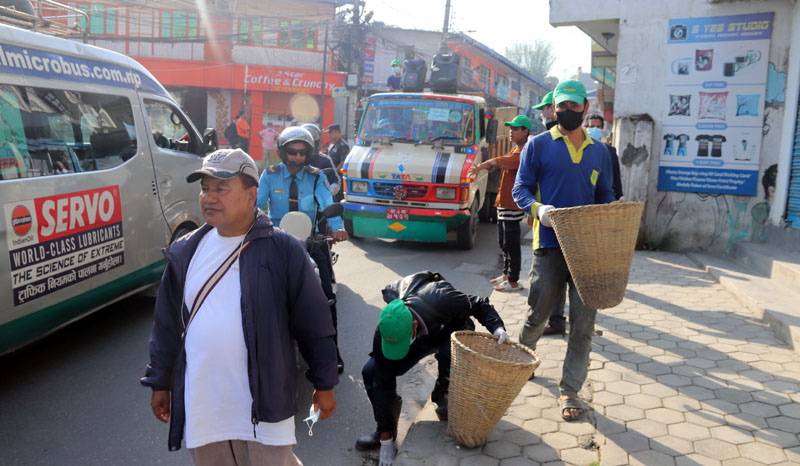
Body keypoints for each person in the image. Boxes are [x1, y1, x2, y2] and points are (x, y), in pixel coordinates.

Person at [140, 148, 338, 464]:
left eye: (221, 188)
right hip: (205, 406)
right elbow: (166, 326)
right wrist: (159, 380)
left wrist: (324, 383)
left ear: (251, 195)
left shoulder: (283, 249)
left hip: (266, 406)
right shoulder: (186, 252)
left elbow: (313, 323)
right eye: (205, 188)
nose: (209, 197)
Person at [512, 80, 616, 422]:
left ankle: (570, 389)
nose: (568, 112)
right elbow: (521, 188)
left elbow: (605, 192)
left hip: (588, 248)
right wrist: (537, 209)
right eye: (562, 106)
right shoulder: (538, 145)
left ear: (585, 108)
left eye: (574, 106)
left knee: (584, 323)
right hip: (550, 245)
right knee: (538, 313)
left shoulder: (599, 151)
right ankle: (523, 357)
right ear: (553, 108)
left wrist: (611, 211)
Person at [356, 271, 509, 466]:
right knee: (372, 372)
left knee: (450, 354)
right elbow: (383, 382)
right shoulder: (385, 327)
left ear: (414, 326)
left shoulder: (441, 297)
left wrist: (497, 328)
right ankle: (386, 430)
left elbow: (479, 304)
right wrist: (386, 442)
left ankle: (442, 395)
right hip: (417, 339)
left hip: (448, 330)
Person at [257, 127, 349, 374]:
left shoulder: (317, 176)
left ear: (309, 153)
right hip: (275, 242)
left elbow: (327, 203)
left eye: (301, 153)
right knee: (255, 290)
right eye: (292, 152)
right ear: (282, 152)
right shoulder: (269, 175)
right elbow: (257, 206)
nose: (297, 157)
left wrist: (338, 228)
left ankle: (333, 352)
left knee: (327, 297)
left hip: (310, 241)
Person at [469, 115, 531, 292]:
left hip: (512, 204)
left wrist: (486, 164)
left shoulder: (524, 150)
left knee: (511, 243)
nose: (511, 132)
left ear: (525, 131)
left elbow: (508, 162)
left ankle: (513, 280)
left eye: (515, 129)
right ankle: (506, 274)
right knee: (504, 242)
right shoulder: (516, 148)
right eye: (510, 129)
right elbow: (503, 163)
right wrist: (488, 166)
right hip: (505, 202)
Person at [585, 113, 623, 200]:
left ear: (602, 129)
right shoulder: (580, 149)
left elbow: (616, 177)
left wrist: (619, 196)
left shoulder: (610, 151)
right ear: (586, 128)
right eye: (592, 126)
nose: (595, 129)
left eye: (598, 127)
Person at [302, 123, 340, 196]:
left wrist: (329, 192)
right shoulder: (294, 158)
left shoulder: (324, 160)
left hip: (317, 201)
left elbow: (336, 181)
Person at [325, 124, 350, 202]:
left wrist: (334, 173)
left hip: (339, 178)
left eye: (330, 133)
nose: (329, 135)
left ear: (337, 132)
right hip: (332, 178)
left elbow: (343, 162)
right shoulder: (333, 145)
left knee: (337, 200)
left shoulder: (343, 146)